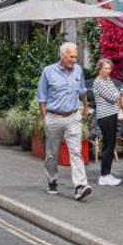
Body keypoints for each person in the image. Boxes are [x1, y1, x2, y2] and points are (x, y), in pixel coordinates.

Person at [36, 41, 91, 200]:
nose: (74, 60)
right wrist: (45, 119)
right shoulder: (48, 72)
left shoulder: (78, 70)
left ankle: (80, 185)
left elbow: (82, 91)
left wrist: (85, 109)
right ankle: (52, 180)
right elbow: (41, 98)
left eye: (76, 57)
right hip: (53, 117)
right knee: (52, 154)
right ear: (62, 56)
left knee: (76, 152)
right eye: (71, 57)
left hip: (73, 117)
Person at [92, 59, 123, 187]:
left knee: (110, 145)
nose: (108, 71)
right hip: (105, 116)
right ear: (99, 69)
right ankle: (104, 176)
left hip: (112, 114)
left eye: (109, 68)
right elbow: (114, 97)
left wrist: (117, 95)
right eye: (106, 68)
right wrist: (117, 95)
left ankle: (107, 173)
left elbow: (116, 94)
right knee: (108, 146)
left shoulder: (107, 80)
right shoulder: (98, 82)